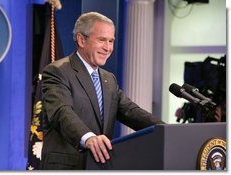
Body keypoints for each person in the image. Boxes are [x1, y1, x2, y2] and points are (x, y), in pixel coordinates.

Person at [40, 11, 165, 170]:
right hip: (66, 166)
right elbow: (62, 112)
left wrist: (166, 130)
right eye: (101, 40)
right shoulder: (57, 71)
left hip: (99, 166)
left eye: (111, 41)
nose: (108, 48)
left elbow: (131, 112)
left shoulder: (108, 79)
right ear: (81, 40)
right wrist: (89, 138)